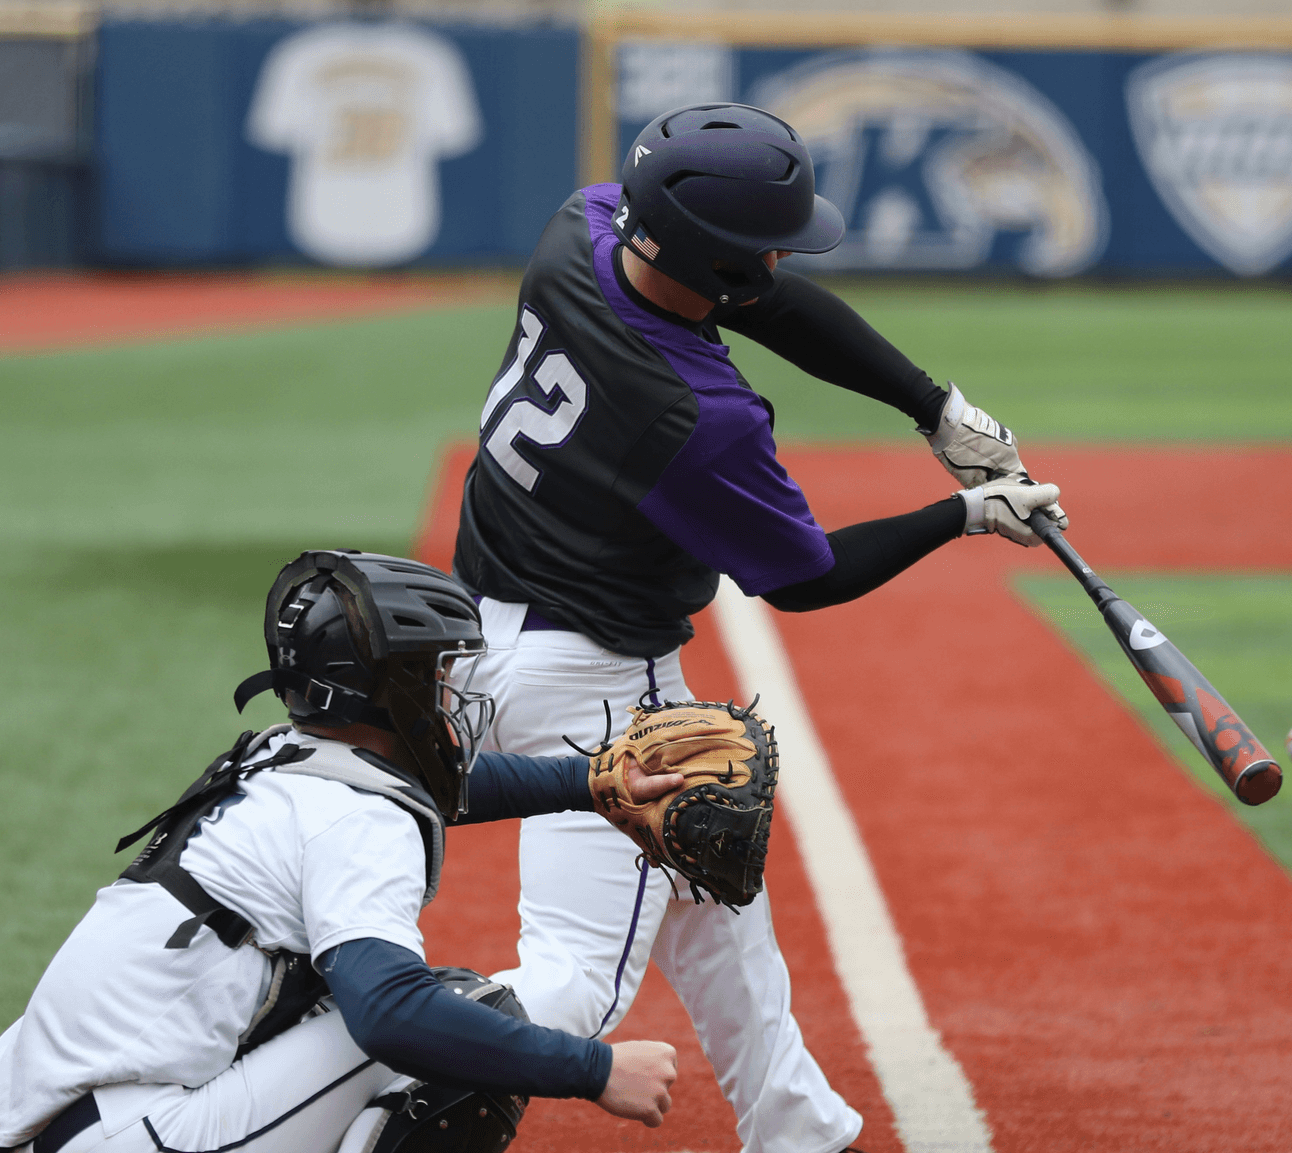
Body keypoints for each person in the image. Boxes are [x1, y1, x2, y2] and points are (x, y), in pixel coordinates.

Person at [451, 102, 1065, 1153]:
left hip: (478, 639)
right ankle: (341, 1052)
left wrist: (930, 405)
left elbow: (758, 296)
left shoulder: (583, 228)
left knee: (712, 885)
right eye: (767, 242)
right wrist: (961, 514)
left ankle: (800, 1130)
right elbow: (805, 579)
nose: (783, 254)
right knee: (571, 996)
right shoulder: (698, 419)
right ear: (716, 261)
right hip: (597, 684)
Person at [0, 550, 687, 1153]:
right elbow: (392, 1015)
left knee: (376, 1004)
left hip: (41, 1113)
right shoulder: (356, 823)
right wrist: (597, 1070)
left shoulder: (282, 754)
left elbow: (447, 786)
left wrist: (594, 781)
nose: (449, 691)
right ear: (389, 691)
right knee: (454, 1017)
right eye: (436, 673)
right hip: (124, 1132)